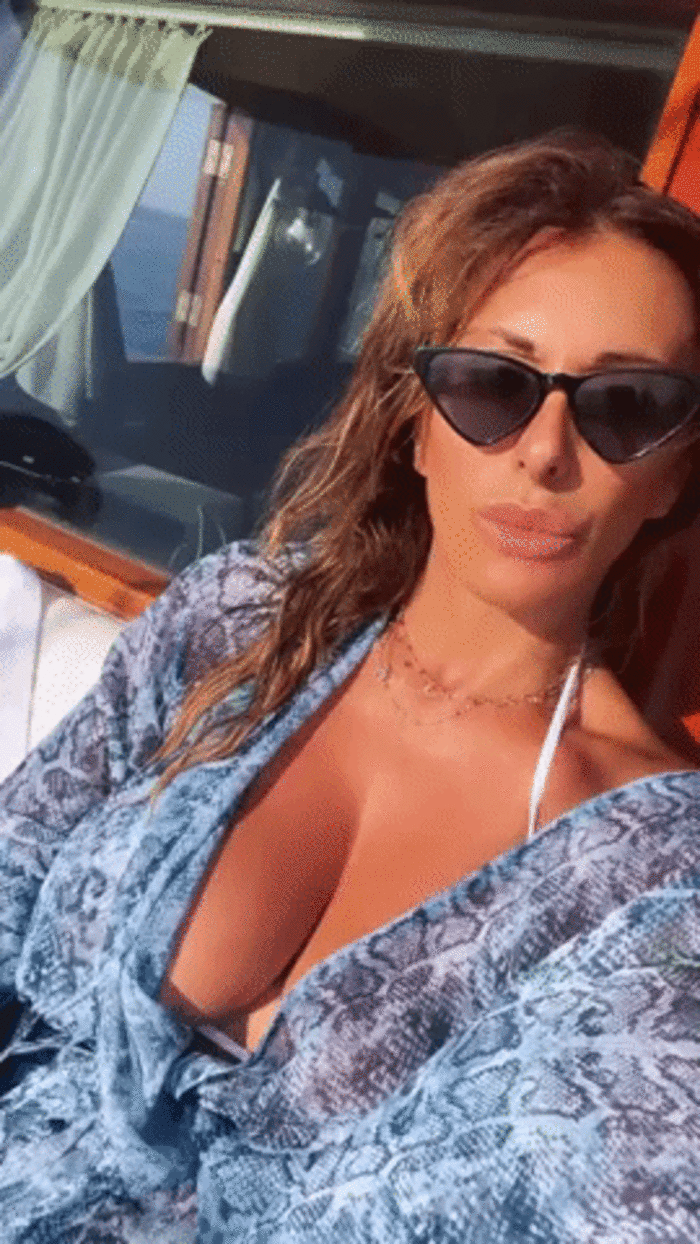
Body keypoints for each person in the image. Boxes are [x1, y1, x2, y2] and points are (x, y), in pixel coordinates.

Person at [2, 126, 700, 1242]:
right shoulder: (235, 629)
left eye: (625, 406)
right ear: (416, 423)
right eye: (494, 383)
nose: (544, 450)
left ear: (670, 475)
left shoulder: (654, 872)